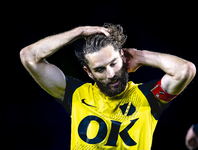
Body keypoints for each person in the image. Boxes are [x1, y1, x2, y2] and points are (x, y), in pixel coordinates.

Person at [20, 23, 196, 150]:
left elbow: (185, 70)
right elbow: (29, 56)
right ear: (89, 72)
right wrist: (79, 31)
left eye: (113, 63)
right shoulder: (74, 94)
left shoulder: (150, 98)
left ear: (122, 56)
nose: (111, 74)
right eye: (100, 69)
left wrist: (140, 56)